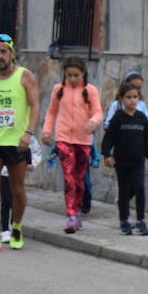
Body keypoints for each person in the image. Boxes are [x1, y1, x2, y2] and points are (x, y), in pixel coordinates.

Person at [0, 34, 39, 253]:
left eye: (3, 51)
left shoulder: (25, 76)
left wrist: (28, 133)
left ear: (12, 53)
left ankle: (16, 227)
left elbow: (35, 105)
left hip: (17, 142)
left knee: (17, 190)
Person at [41, 57, 103, 232]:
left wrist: (93, 122)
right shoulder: (59, 90)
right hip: (63, 139)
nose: (73, 79)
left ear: (83, 73)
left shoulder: (90, 91)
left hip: (83, 140)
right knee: (68, 176)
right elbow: (52, 112)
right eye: (69, 75)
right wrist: (47, 131)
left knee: (80, 178)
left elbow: (98, 112)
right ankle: (71, 214)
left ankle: (78, 210)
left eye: (76, 75)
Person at [101, 81, 148, 236]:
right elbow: (108, 139)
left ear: (139, 98)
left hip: (138, 161)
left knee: (139, 188)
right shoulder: (118, 118)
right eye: (128, 97)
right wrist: (107, 155)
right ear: (121, 99)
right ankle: (124, 220)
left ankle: (141, 221)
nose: (132, 100)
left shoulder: (142, 118)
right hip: (122, 162)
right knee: (124, 191)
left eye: (135, 97)